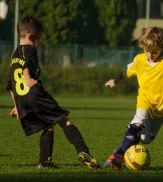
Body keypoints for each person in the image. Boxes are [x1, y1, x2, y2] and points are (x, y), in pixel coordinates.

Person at [6, 15, 99, 169]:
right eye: (39, 38)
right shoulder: (29, 50)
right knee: (63, 119)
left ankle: (44, 162)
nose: (39, 42)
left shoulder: (14, 54)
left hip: (22, 99)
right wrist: (28, 79)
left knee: (49, 124)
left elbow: (11, 84)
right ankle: (83, 151)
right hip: (35, 94)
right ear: (31, 36)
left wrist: (17, 105)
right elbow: (26, 69)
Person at [103, 27, 163, 169]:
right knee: (137, 124)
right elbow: (126, 71)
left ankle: (122, 152)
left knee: (145, 139)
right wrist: (115, 80)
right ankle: (119, 156)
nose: (150, 54)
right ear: (143, 46)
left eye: (154, 52)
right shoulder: (139, 59)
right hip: (144, 100)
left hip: (161, 107)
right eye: (147, 50)